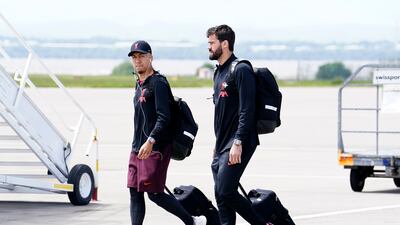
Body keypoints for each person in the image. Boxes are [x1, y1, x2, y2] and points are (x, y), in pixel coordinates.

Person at [127, 40, 207, 225]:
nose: (138, 60)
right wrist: (139, 144)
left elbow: (165, 116)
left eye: (142, 56)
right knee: (134, 191)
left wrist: (151, 140)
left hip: (156, 148)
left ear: (151, 57)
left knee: (155, 194)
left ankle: (192, 221)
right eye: (135, 57)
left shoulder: (159, 83)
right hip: (137, 147)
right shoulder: (139, 83)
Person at [207, 25, 270, 225]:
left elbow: (247, 109)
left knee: (226, 190)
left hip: (239, 141)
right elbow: (222, 113)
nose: (209, 47)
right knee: (221, 194)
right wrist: (217, 144)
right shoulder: (218, 73)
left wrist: (238, 141)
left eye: (212, 43)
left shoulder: (240, 69)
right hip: (222, 143)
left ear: (224, 44)